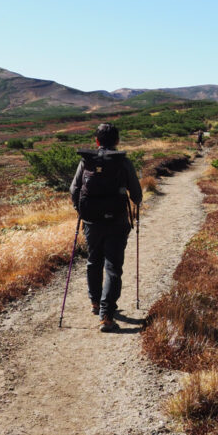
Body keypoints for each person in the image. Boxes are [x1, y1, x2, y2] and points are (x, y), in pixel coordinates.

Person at [69, 123, 142, 332]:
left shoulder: (87, 161)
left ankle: (94, 301)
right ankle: (107, 315)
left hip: (91, 221)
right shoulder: (123, 162)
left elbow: (74, 189)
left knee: (94, 261)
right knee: (113, 267)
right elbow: (136, 194)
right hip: (117, 221)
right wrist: (136, 201)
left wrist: (81, 210)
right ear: (117, 141)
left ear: (97, 141)